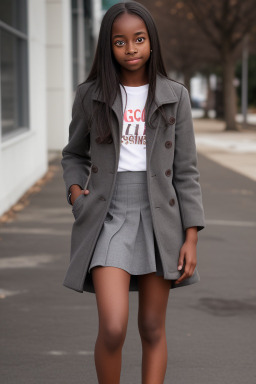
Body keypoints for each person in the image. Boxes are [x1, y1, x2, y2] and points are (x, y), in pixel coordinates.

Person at [61, 2, 205, 383]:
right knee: (112, 326)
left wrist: (191, 235)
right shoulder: (91, 95)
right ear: (108, 47)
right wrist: (77, 194)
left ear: (151, 43)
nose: (131, 48)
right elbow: (74, 153)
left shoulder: (176, 95)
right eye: (120, 41)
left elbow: (187, 172)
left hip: (161, 217)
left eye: (138, 39)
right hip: (108, 215)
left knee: (153, 327)